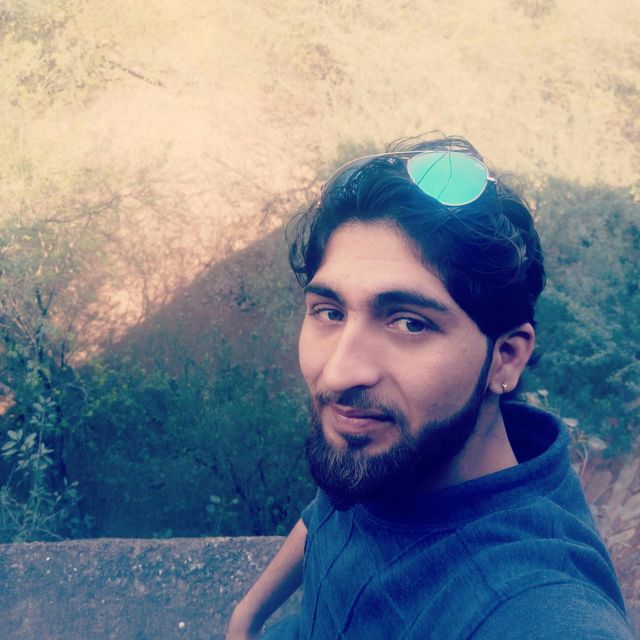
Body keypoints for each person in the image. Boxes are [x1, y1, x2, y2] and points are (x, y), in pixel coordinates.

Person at [226, 136, 634, 639]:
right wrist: (247, 615)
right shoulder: (385, 438)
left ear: (506, 357)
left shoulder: (535, 603)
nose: (338, 374)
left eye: (410, 323)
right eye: (329, 313)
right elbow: (325, 511)